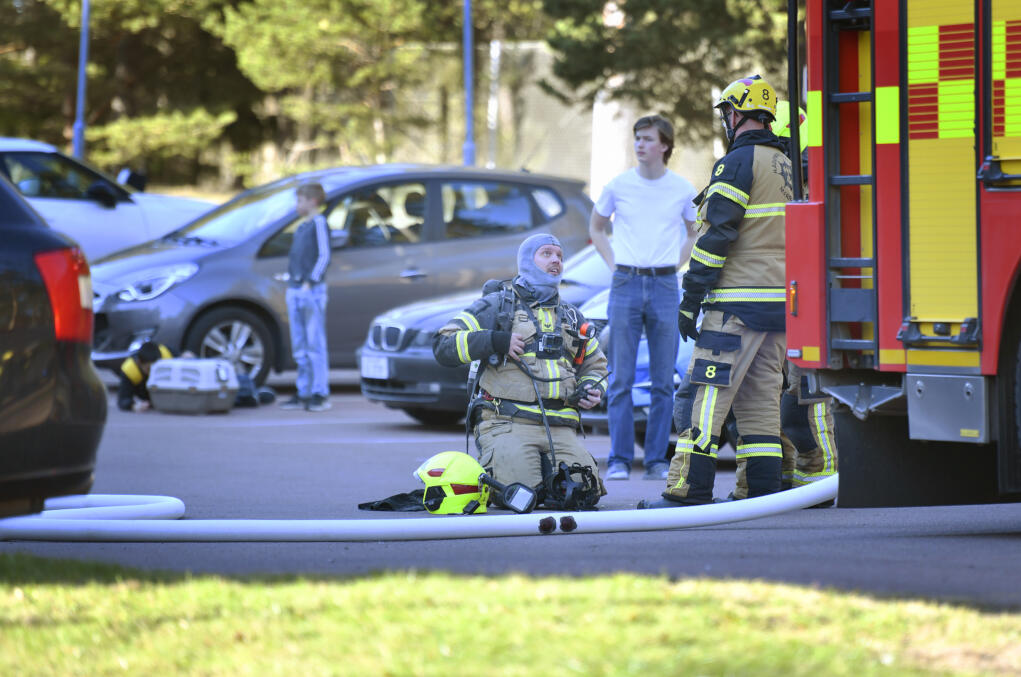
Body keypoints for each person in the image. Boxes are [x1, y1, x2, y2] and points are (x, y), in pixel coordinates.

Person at [641, 75, 793, 507]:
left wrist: (690, 298)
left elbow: (716, 236)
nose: (726, 119)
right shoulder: (786, 165)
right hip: (779, 307)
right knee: (760, 402)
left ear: (738, 113)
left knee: (706, 397)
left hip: (735, 306)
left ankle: (688, 489)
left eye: (727, 112)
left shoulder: (736, 163)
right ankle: (761, 493)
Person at [432, 234, 608, 508]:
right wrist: (495, 341)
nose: (555, 261)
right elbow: (443, 345)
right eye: (546, 254)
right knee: (520, 495)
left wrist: (591, 387)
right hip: (507, 424)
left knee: (583, 493)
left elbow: (595, 364)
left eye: (559, 256)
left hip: (560, 427)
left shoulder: (572, 316)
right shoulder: (498, 306)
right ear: (526, 261)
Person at [589, 114, 698, 481]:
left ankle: (655, 460)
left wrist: (675, 263)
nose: (640, 144)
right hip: (626, 283)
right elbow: (596, 227)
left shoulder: (681, 188)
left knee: (664, 380)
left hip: (665, 286)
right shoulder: (619, 185)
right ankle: (619, 459)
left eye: (648, 138)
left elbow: (694, 231)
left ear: (665, 145)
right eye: (637, 138)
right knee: (620, 377)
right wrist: (613, 264)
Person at [279, 182, 332, 412]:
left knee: (314, 342)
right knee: (300, 344)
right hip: (295, 288)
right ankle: (304, 390)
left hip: (311, 290)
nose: (297, 205)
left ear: (313, 201)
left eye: (300, 200)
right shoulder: (302, 227)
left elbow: (324, 255)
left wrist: (310, 281)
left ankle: (320, 392)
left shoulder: (319, 223)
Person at [116, 340, 172, 412]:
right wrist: (133, 405)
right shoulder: (129, 370)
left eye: (157, 368)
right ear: (139, 362)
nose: (154, 373)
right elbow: (123, 400)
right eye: (149, 369)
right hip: (145, 394)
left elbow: (181, 355)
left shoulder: (166, 353)